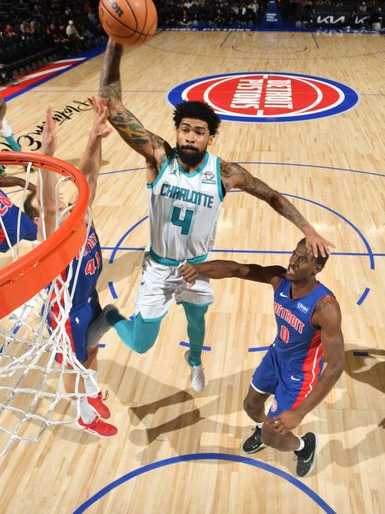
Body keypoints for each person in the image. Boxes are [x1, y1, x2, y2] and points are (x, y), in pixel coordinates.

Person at [97, 40, 333, 393]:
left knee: (197, 318)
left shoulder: (225, 174)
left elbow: (271, 195)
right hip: (159, 267)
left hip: (198, 265)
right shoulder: (160, 157)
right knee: (142, 343)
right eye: (185, 129)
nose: (190, 137)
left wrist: (308, 227)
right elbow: (112, 106)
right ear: (177, 131)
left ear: (210, 138)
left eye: (199, 132)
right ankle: (113, 315)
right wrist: (115, 43)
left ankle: (194, 360)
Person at [179, 239, 344, 477]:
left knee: (272, 436)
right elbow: (236, 269)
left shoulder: (325, 307)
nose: (293, 262)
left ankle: (303, 446)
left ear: (317, 268)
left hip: (300, 374)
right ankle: (266, 426)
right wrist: (198, 268)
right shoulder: (280, 279)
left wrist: (299, 413)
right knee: (250, 406)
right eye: (293, 255)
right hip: (276, 357)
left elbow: (336, 365)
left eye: (303, 259)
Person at [39, 99, 118, 437]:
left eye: (65, 197)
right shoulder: (51, 233)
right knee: (75, 364)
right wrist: (46, 154)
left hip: (88, 301)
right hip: (65, 310)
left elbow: (89, 174)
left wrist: (95, 136)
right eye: (58, 201)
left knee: (92, 350)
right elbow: (45, 202)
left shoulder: (80, 213)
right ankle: (84, 414)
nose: (63, 199)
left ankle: (91, 395)